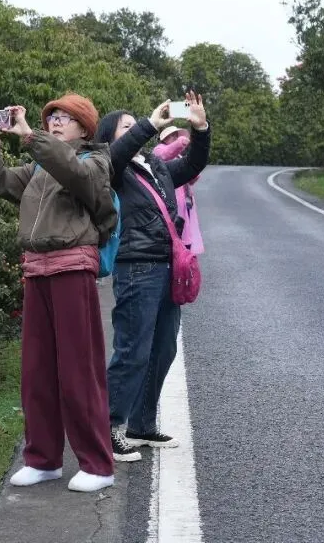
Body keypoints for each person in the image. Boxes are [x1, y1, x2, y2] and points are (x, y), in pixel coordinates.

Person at [0, 94, 117, 493]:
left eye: (65, 118)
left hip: (72, 267)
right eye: (51, 116)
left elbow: (72, 171)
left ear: (84, 128)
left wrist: (30, 137)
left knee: (79, 370)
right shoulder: (39, 167)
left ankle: (97, 464)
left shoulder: (95, 161)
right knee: (37, 371)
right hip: (37, 268)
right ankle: (43, 459)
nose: (55, 121)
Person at [94, 92, 210, 460]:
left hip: (166, 266)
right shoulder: (110, 166)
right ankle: (108, 428)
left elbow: (192, 164)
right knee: (133, 350)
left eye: (136, 124)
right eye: (127, 126)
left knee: (163, 348)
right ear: (110, 137)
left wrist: (200, 128)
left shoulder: (154, 166)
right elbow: (116, 155)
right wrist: (149, 125)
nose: (137, 129)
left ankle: (142, 425)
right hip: (136, 267)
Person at [152, 126, 204, 256]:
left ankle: (186, 258)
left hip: (186, 200)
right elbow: (165, 154)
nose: (175, 138)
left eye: (176, 135)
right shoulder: (158, 150)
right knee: (176, 231)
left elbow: (190, 178)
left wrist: (193, 173)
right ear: (164, 138)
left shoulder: (179, 155)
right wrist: (181, 142)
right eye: (172, 135)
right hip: (172, 199)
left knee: (187, 232)